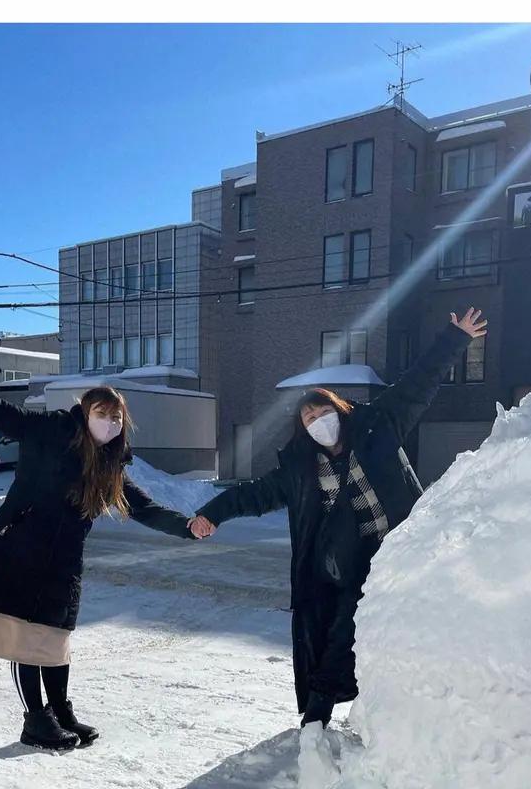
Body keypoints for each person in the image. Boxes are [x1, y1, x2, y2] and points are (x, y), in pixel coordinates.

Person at [188, 308, 487, 730]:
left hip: (403, 552)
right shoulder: (300, 468)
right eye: (309, 419)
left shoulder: (378, 426)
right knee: (338, 634)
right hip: (349, 564)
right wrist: (212, 514)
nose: (318, 422)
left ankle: (411, 718)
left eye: (323, 413)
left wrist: (454, 339)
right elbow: (254, 494)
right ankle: (317, 718)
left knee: (410, 634)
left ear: (340, 410)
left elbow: (419, 384)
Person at [0, 355, 199, 752]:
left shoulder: (108, 464)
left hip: (63, 560)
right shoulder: (51, 430)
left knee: (55, 638)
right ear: (84, 413)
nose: (111, 422)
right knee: (25, 639)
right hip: (20, 547)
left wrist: (187, 527)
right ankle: (35, 721)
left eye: (117, 416)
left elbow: (141, 507)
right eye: (102, 413)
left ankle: (60, 712)